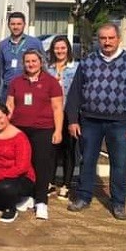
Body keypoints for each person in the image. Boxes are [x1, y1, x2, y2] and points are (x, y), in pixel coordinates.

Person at [66, 23, 126, 220]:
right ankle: (83, 197)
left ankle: (118, 202)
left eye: (111, 38)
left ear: (118, 39)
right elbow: (75, 93)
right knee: (87, 161)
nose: (107, 42)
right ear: (98, 40)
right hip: (90, 121)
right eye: (103, 38)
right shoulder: (87, 61)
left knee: (119, 164)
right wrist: (73, 120)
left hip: (120, 123)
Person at [6, 49, 63, 220]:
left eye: (34, 61)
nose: (31, 64)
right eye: (28, 61)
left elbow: (57, 108)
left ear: (41, 62)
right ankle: (27, 195)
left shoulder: (51, 82)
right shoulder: (16, 82)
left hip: (43, 129)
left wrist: (58, 130)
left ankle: (41, 202)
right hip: (19, 130)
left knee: (41, 166)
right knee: (23, 165)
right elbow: (10, 105)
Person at [46, 35, 79, 199]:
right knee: (52, 149)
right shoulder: (47, 68)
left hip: (69, 114)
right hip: (51, 114)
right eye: (56, 48)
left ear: (68, 49)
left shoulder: (76, 67)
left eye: (63, 48)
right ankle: (50, 182)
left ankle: (66, 184)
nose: (59, 51)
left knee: (69, 150)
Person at [0, 12, 43, 103]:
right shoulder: (3, 45)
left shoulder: (35, 43)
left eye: (19, 24)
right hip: (8, 89)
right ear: (8, 25)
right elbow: (0, 69)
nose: (16, 27)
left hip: (29, 87)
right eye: (13, 24)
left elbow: (44, 65)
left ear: (24, 25)